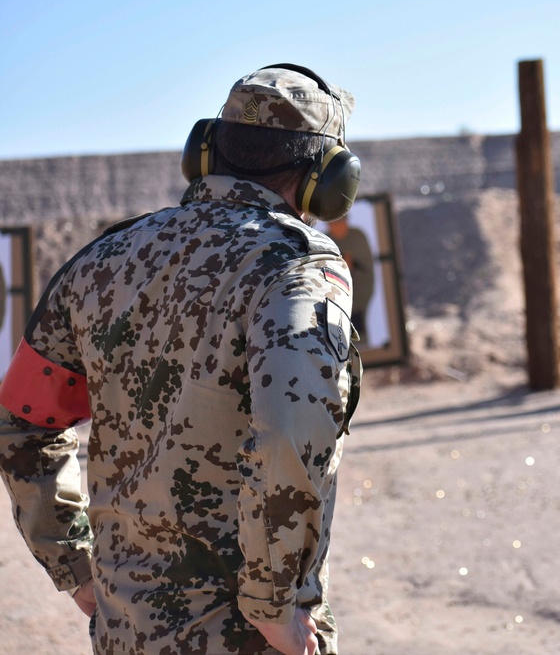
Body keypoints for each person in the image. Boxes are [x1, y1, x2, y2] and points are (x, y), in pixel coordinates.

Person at [0, 64, 363, 655]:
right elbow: (293, 431)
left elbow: (21, 419)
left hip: (125, 627)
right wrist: (275, 604)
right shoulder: (297, 268)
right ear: (328, 176)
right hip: (240, 633)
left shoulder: (104, 259)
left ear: (204, 152)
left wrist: (74, 563)